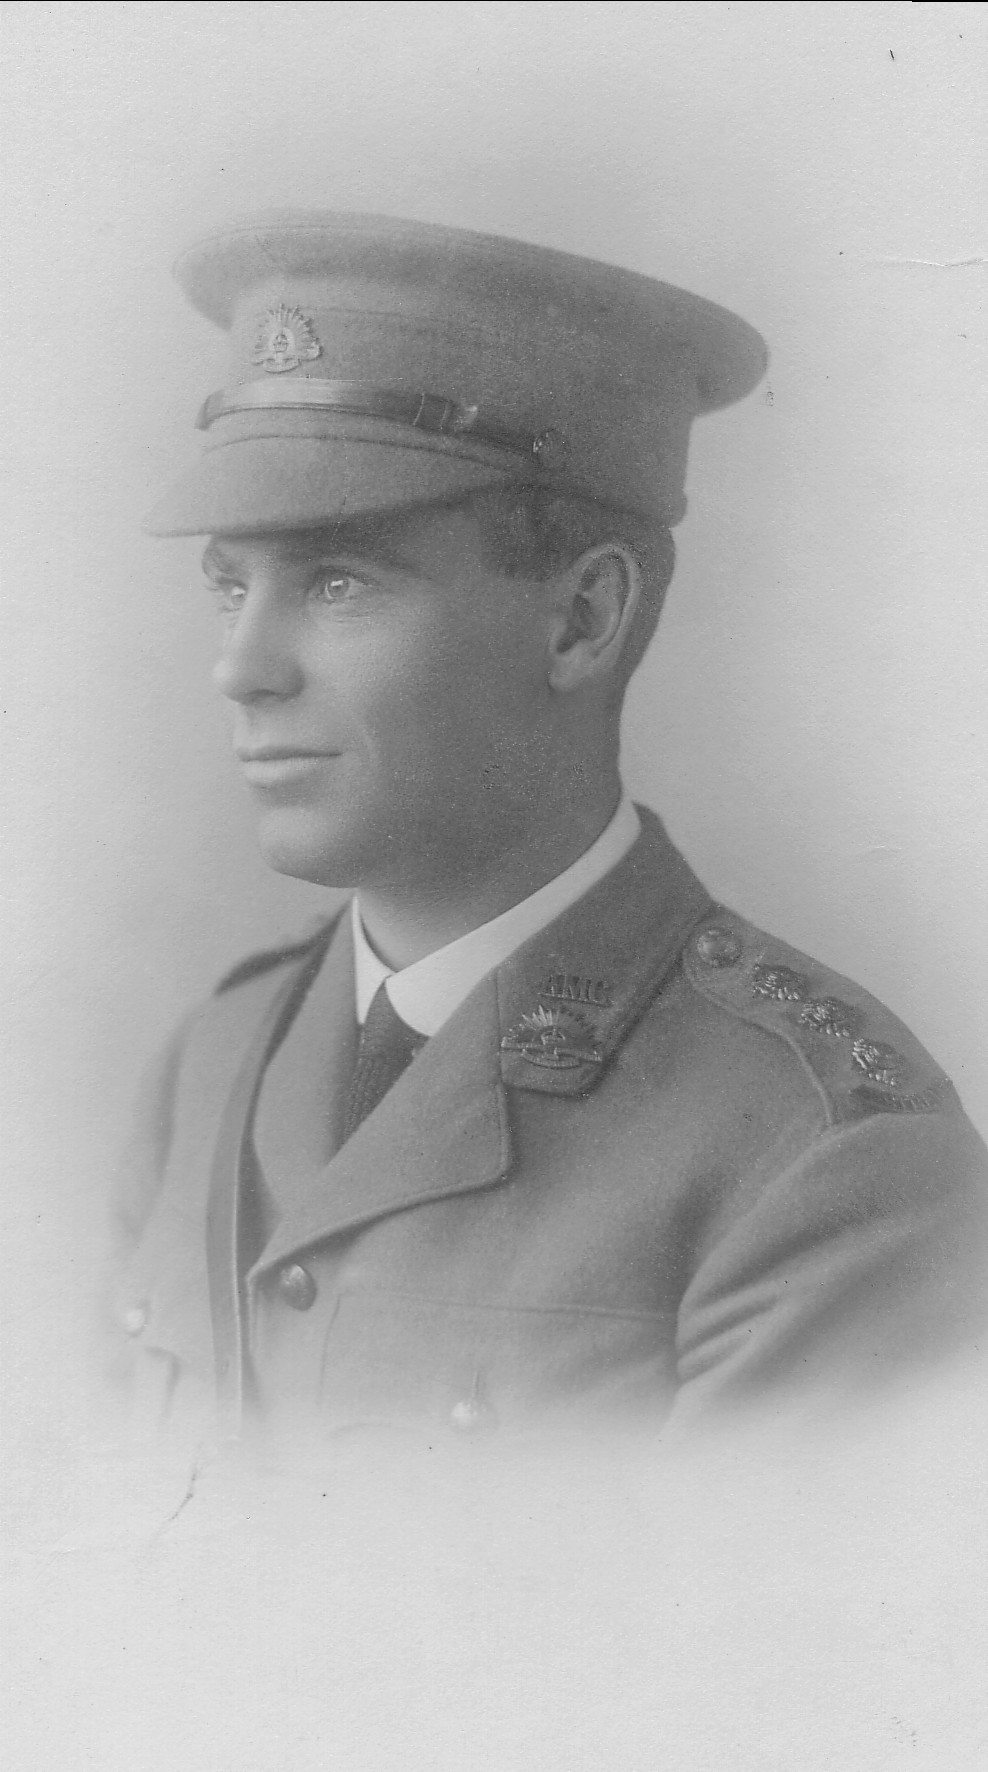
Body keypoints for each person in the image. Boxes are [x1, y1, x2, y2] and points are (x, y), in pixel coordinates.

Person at [109, 210, 988, 1453]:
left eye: (337, 582)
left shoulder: (823, 1161)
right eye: (229, 586)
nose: (240, 667)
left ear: (580, 620)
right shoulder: (209, 1064)